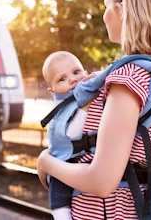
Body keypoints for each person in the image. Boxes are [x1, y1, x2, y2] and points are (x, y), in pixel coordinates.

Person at [37, 0, 151, 219]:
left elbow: (102, 181)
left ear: (122, 10)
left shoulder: (129, 78)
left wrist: (47, 162)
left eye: (106, 7)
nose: (104, 15)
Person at [41, 51, 93, 220]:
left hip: (87, 162)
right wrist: (85, 109)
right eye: (62, 79)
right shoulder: (60, 107)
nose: (72, 79)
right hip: (64, 159)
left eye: (76, 72)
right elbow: (70, 134)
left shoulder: (93, 91)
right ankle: (61, 215)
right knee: (58, 186)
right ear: (52, 89)